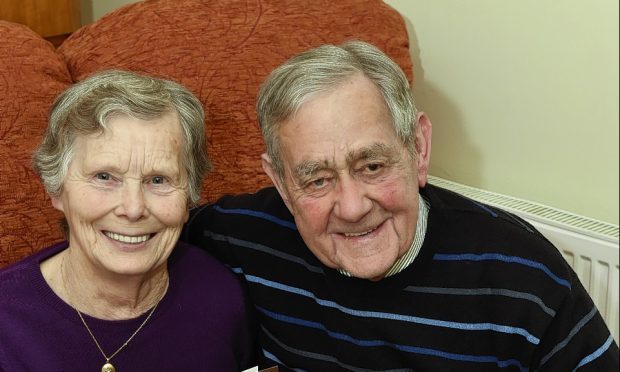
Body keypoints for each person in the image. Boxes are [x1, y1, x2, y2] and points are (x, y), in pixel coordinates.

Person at [183, 41, 619, 371]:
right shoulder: (240, 235)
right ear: (280, 181)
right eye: (316, 179)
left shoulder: (523, 276)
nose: (352, 208)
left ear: (418, 148)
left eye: (372, 165)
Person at [0, 70, 256, 371]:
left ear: (189, 196)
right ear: (56, 189)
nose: (133, 209)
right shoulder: (7, 323)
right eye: (104, 177)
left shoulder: (220, 297)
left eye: (158, 179)